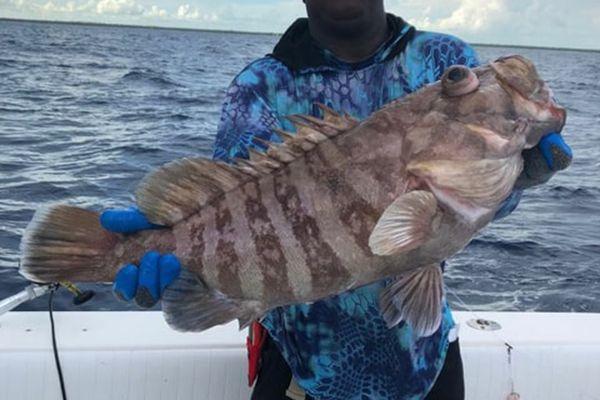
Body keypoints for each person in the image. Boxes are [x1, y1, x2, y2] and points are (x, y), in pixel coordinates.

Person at [100, 1, 573, 399]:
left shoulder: (441, 58)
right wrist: (179, 268)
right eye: (460, 84)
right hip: (298, 369)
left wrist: (515, 182)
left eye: (461, 84)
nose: (465, 84)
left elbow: (466, 206)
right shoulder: (260, 86)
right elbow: (230, 205)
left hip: (424, 362)